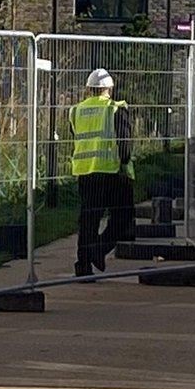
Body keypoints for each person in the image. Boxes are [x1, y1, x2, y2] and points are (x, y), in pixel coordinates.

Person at [69, 68, 135, 278]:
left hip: (86, 172)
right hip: (112, 171)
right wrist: (124, 163)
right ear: (109, 88)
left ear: (89, 89)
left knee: (88, 219)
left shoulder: (76, 110)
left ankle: (83, 265)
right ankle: (99, 249)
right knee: (123, 216)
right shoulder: (115, 109)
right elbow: (125, 146)